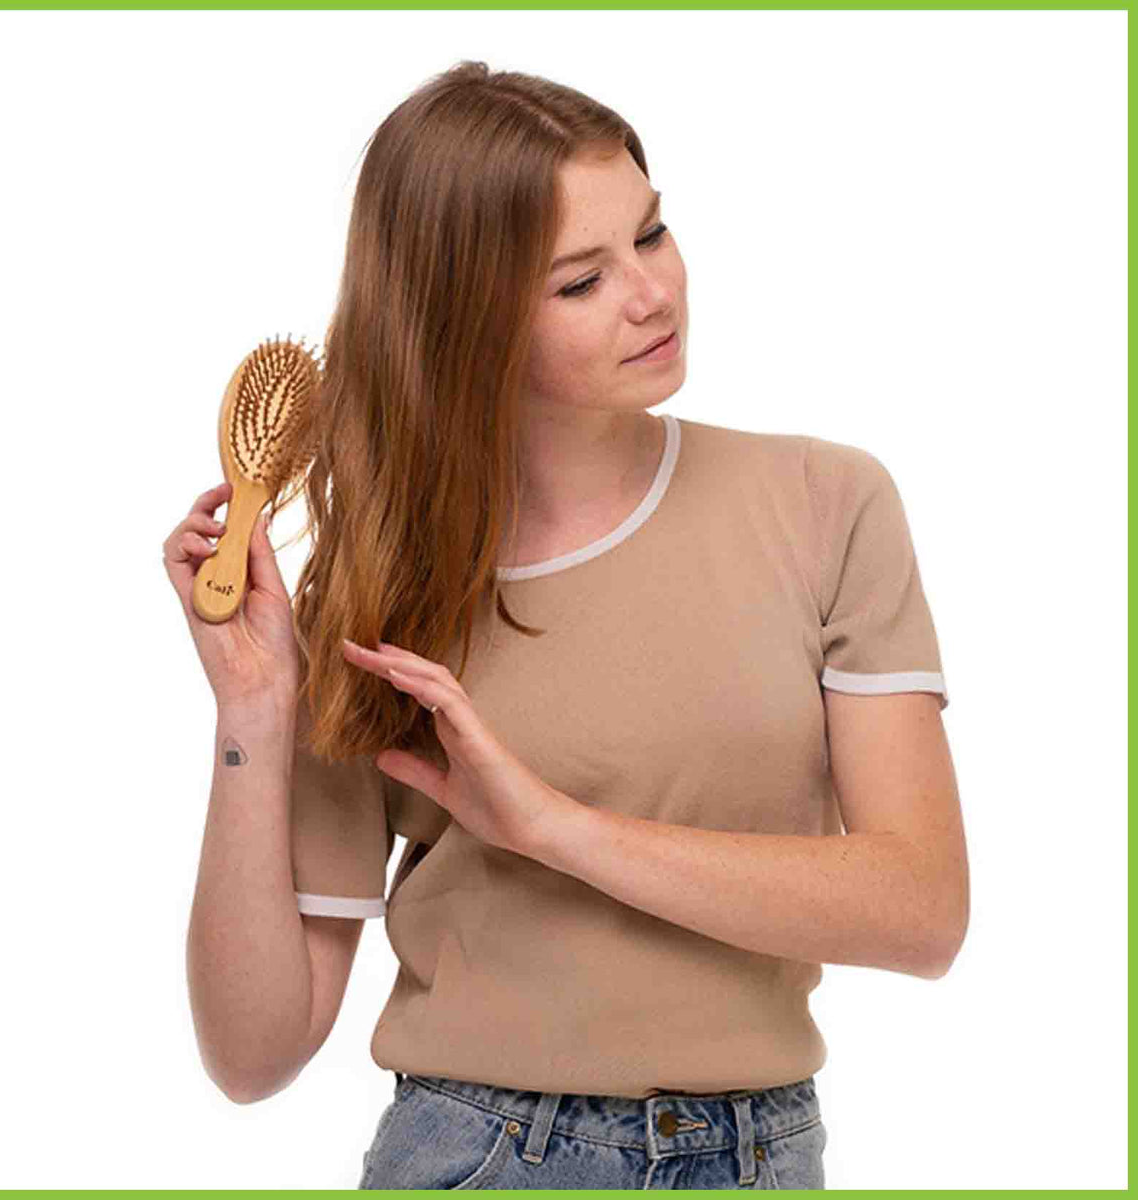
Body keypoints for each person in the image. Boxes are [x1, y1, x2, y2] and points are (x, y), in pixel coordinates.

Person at [166, 61, 966, 1191]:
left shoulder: (826, 502)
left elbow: (922, 912)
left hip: (765, 1156)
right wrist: (254, 708)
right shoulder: (382, 585)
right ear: (466, 324)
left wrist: (547, 825)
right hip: (478, 1154)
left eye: (653, 233)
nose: (652, 294)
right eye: (580, 281)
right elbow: (254, 1052)